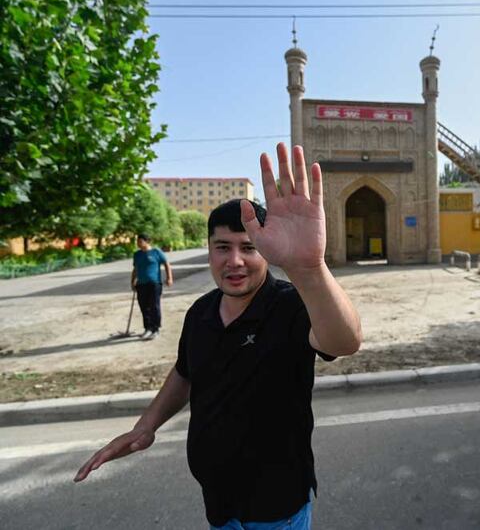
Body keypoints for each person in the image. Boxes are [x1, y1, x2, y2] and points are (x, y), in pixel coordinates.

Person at [75, 143, 362, 529]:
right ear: (209, 251)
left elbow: (345, 342)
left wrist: (309, 268)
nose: (235, 261)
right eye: (222, 248)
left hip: (278, 507)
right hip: (219, 504)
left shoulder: (291, 305)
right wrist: (146, 426)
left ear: (266, 252)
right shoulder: (201, 313)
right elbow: (185, 373)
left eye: (249, 248)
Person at [131, 233, 173, 340]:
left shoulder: (156, 252)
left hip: (154, 283)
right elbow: (135, 269)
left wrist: (169, 278)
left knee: (154, 306)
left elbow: (166, 264)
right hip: (141, 284)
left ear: (147, 241)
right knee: (143, 306)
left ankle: (155, 329)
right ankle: (148, 328)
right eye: (137, 241)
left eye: (140, 241)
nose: (138, 243)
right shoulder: (137, 254)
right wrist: (133, 281)